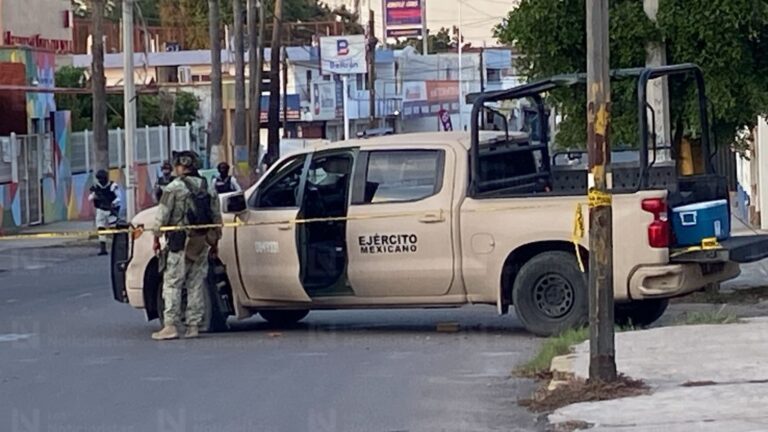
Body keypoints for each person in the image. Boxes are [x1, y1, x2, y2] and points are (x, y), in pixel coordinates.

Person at [151, 151, 222, 341]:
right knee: (196, 283)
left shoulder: (173, 188)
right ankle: (193, 326)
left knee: (172, 283)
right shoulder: (207, 187)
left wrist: (156, 237)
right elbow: (216, 218)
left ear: (180, 167)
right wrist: (214, 242)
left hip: (179, 242)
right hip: (201, 242)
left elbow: (161, 217)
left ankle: (171, 325)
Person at [88, 169, 120, 256]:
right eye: (99, 179)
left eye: (102, 178)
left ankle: (117, 248)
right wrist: (95, 195)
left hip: (110, 211)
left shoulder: (113, 186)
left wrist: (113, 204)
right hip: (100, 210)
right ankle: (103, 248)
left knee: (114, 229)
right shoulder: (96, 187)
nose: (101, 181)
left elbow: (119, 198)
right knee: (101, 229)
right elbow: (90, 198)